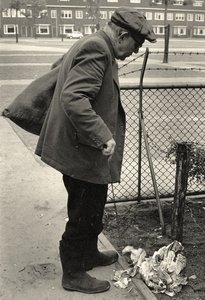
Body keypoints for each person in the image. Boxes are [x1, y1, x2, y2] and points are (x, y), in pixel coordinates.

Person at [35, 6, 156, 294]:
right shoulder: (97, 48)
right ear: (123, 35)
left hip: (84, 148)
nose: (134, 51)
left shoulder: (96, 44)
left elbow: (59, 70)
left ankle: (89, 254)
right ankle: (73, 272)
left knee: (93, 206)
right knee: (82, 212)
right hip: (82, 151)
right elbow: (75, 97)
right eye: (135, 45)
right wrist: (103, 135)